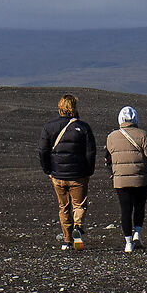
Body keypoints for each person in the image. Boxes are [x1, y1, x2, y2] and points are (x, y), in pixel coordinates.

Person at [37, 94, 97, 251]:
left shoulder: (49, 127)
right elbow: (90, 152)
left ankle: (67, 240)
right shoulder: (83, 127)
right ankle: (78, 227)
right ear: (74, 107)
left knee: (63, 207)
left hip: (58, 175)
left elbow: (43, 150)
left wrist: (48, 170)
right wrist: (88, 171)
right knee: (79, 205)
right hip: (79, 175)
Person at [105, 105, 147, 253]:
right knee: (139, 206)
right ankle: (137, 232)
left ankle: (128, 243)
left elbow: (108, 158)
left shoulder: (111, 137)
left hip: (121, 181)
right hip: (141, 179)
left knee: (125, 209)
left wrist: (113, 173)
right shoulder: (144, 135)